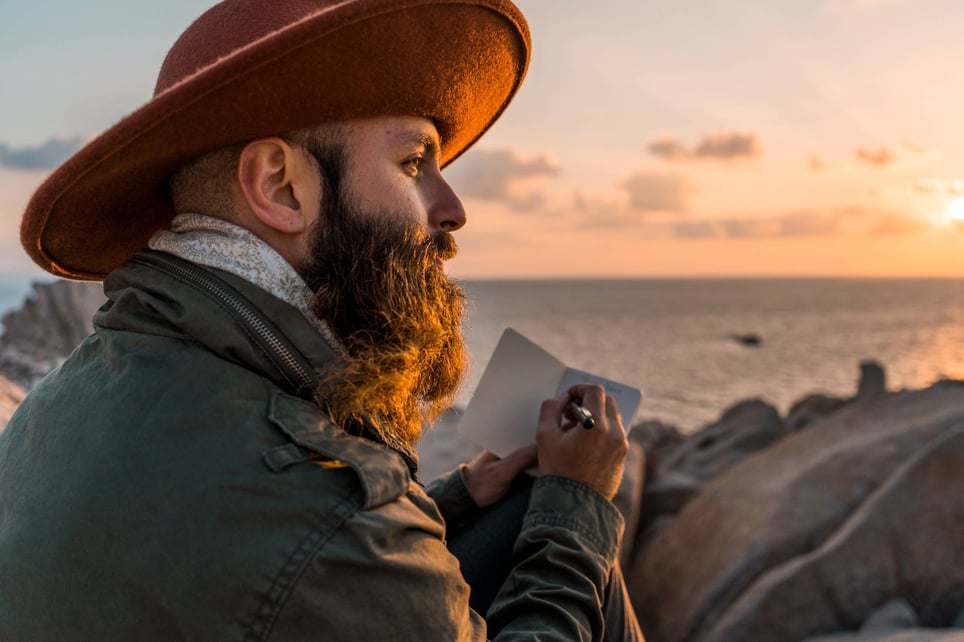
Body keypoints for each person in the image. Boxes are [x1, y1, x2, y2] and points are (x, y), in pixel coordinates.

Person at [0, 0, 644, 639]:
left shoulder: (56, 402)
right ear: (280, 187)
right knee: (569, 529)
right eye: (414, 163)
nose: (451, 210)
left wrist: (459, 495)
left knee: (517, 506)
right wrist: (577, 506)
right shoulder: (320, 513)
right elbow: (313, 545)